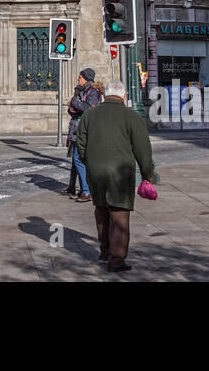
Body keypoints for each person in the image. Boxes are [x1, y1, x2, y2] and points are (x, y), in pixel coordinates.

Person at [76, 79, 156, 272]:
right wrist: (147, 174)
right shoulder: (132, 117)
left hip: (95, 172)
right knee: (119, 215)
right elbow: (143, 151)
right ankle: (116, 260)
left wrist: (90, 163)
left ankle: (104, 252)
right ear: (124, 96)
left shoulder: (89, 115)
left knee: (101, 210)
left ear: (103, 96)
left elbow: (81, 144)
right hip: (120, 173)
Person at [66, 68, 102, 201]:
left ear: (86, 79)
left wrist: (75, 103)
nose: (78, 79)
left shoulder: (93, 93)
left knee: (78, 159)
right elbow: (74, 110)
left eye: (80, 77)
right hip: (75, 128)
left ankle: (87, 191)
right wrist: (71, 108)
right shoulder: (80, 91)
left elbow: (89, 110)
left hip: (84, 130)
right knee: (76, 161)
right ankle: (76, 188)